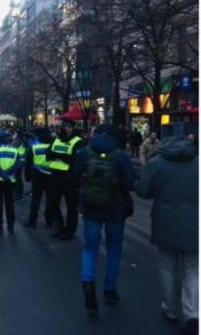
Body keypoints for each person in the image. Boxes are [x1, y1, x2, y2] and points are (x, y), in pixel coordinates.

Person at [135, 136, 198, 335]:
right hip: (195, 225)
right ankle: (192, 312)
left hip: (165, 222)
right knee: (193, 270)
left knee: (167, 268)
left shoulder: (156, 164)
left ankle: (171, 308)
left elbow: (143, 192)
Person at [73, 124, 136, 312]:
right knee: (114, 249)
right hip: (115, 209)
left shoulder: (84, 153)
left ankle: (88, 283)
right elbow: (130, 182)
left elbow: (74, 176)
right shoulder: (121, 156)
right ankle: (109, 290)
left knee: (90, 247)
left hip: (91, 208)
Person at [46, 118, 86, 240]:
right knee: (52, 203)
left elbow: (76, 160)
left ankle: (69, 230)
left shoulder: (78, 141)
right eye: (64, 126)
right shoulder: (56, 139)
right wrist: (63, 156)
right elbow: (48, 155)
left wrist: (58, 155)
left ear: (73, 128)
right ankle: (59, 226)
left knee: (71, 206)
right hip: (54, 176)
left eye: (68, 126)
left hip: (69, 178)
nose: (66, 128)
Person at [0, 131, 21, 233]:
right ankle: (10, 225)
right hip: (10, 180)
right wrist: (8, 174)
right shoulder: (15, 150)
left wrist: (3, 174)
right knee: (9, 202)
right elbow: (17, 164)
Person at [24, 127, 53, 229]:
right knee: (50, 199)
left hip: (37, 175)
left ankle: (32, 221)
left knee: (36, 199)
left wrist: (27, 175)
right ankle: (49, 221)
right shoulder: (53, 146)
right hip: (51, 175)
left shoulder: (34, 146)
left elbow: (28, 162)